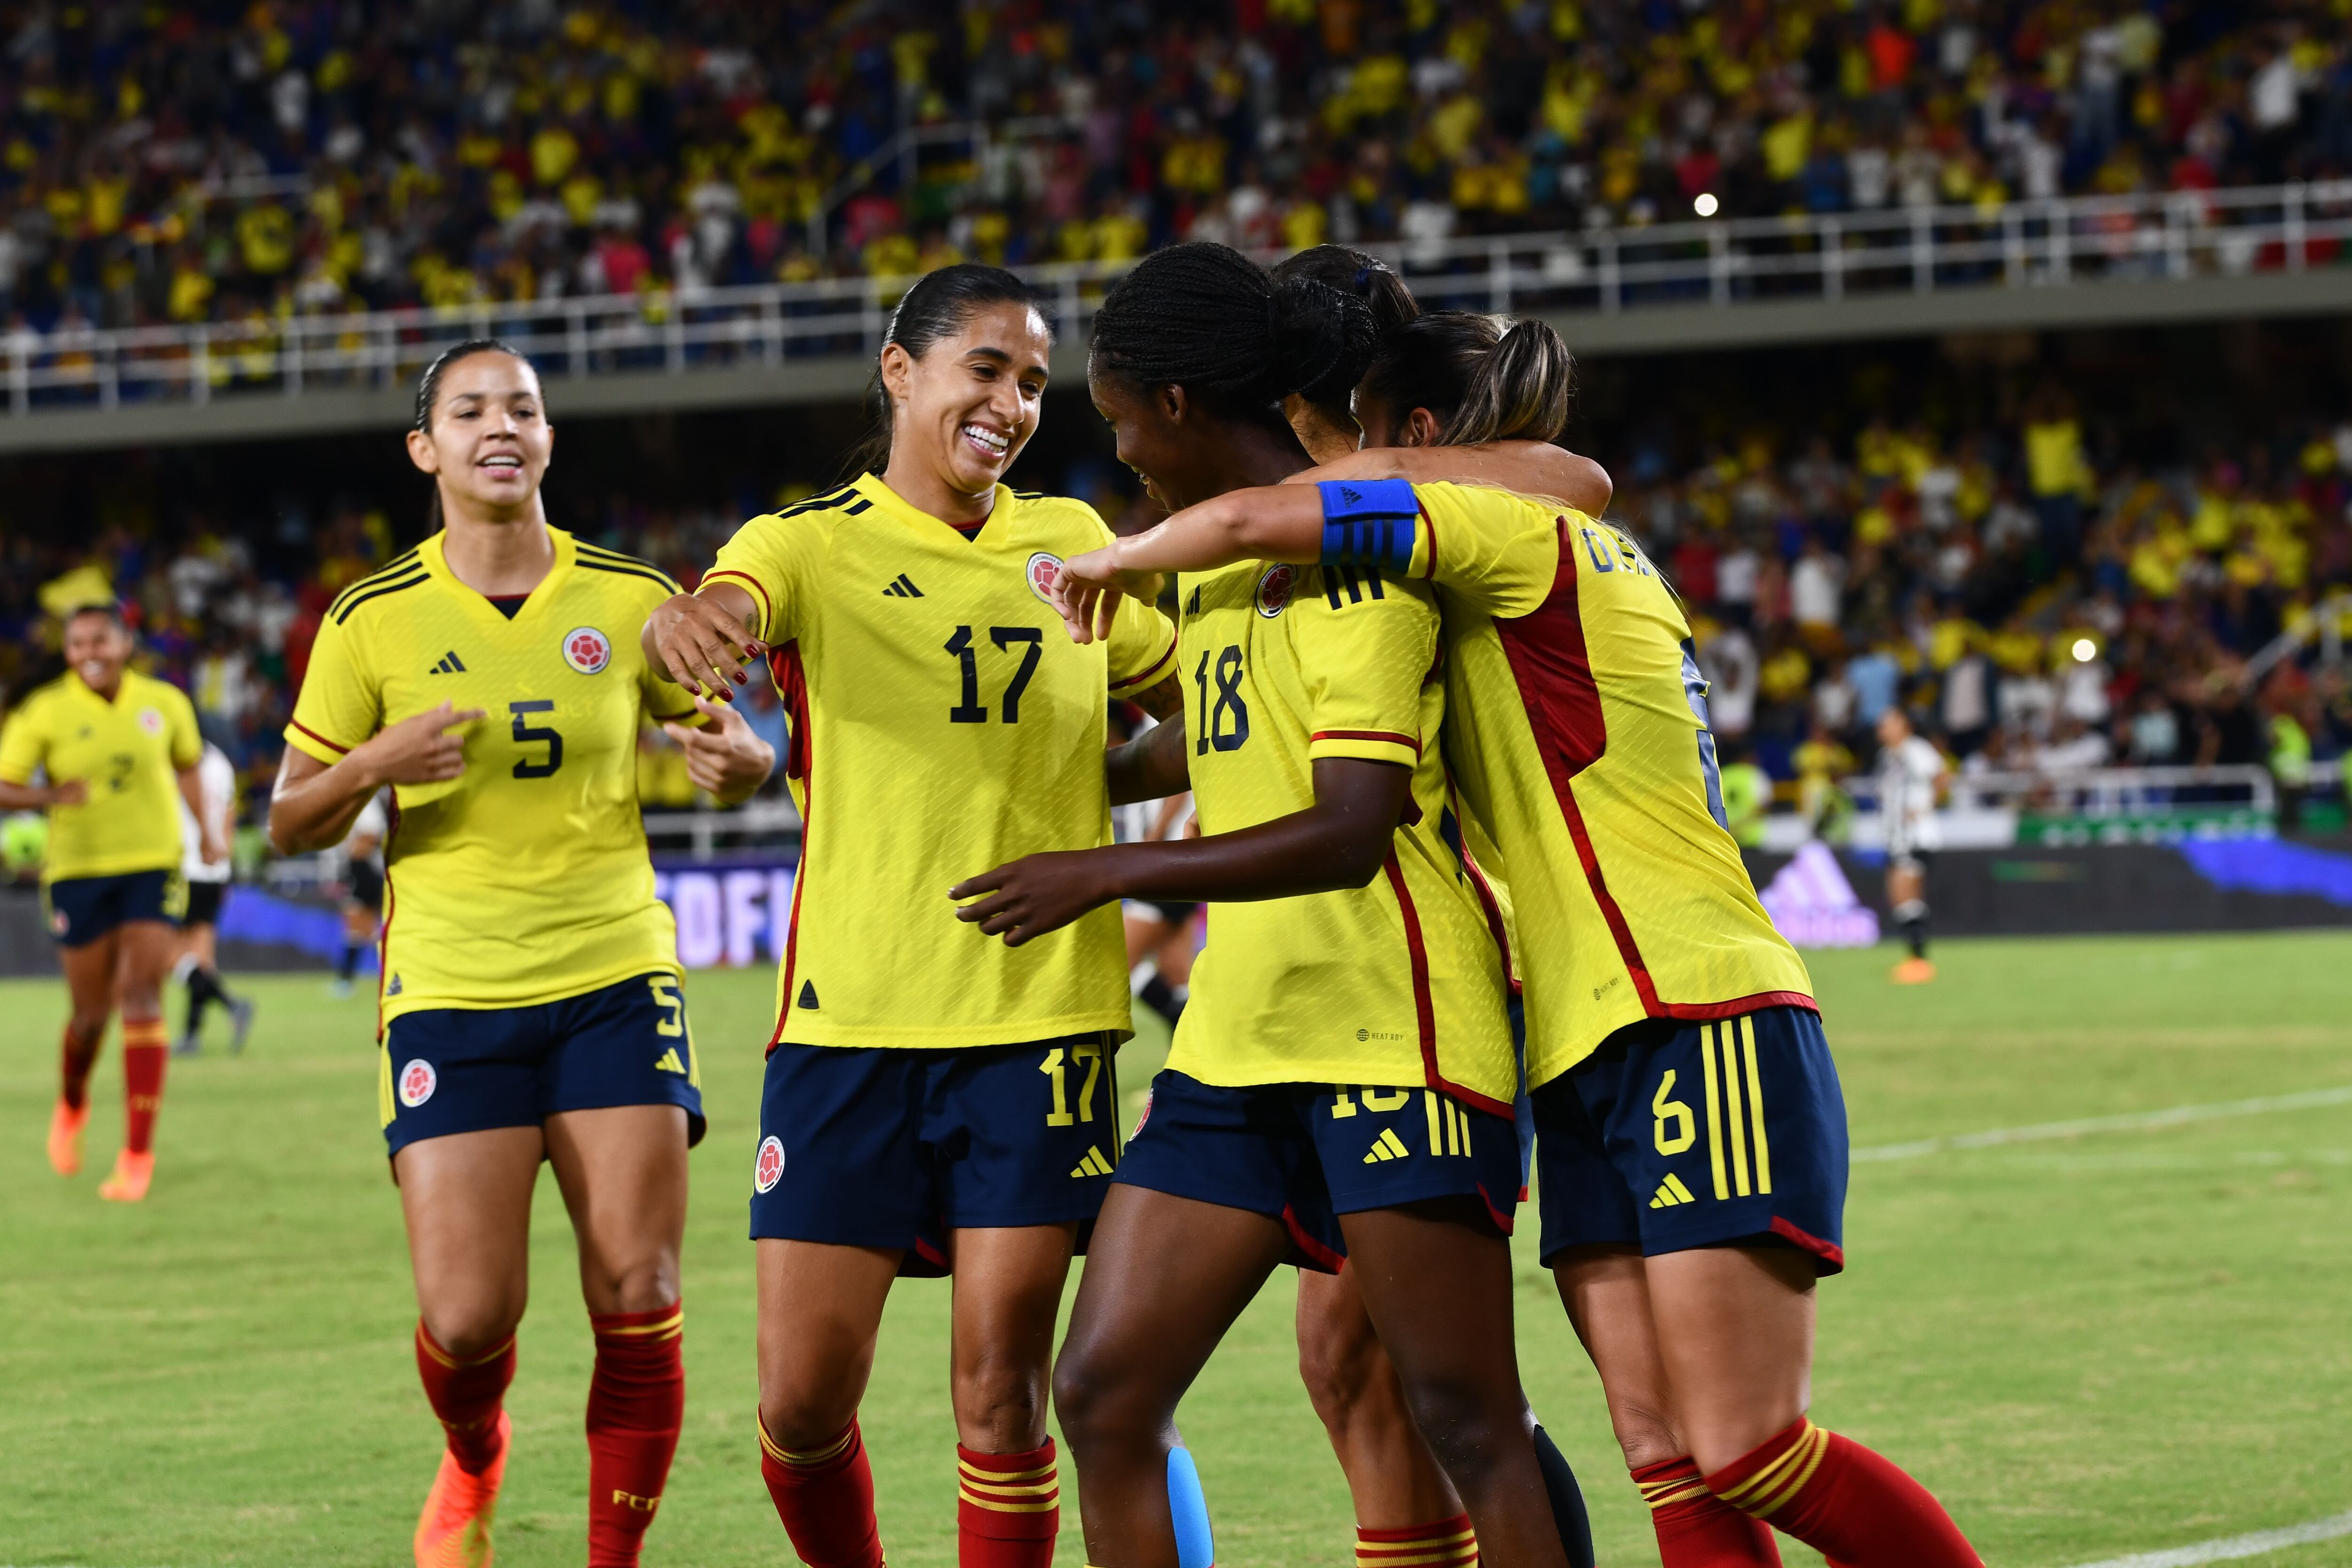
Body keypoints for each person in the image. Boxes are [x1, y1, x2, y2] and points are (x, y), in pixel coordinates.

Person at [1050, 301, 1985, 1568]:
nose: (1339, 462)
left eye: (1356, 437)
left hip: (1691, 999)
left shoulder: (1497, 529)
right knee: (1663, 1451)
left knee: (1747, 1443)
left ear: (1416, 439)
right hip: (1584, 1027)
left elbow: (1275, 513)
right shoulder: (1536, 525)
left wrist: (1123, 556)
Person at [949, 243, 1572, 1568]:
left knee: (1461, 1411)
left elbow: (1352, 824)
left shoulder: (1355, 548)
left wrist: (1104, 869)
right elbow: (1227, 738)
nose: (1117, 453)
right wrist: (1061, 772)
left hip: (1396, 1023)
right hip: (1242, 1036)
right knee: (1106, 1391)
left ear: (1174, 404)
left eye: (1117, 420)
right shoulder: (1219, 568)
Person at [639, 263, 1184, 1568]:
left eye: (1035, 381)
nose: (1013, 401)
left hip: (1037, 1020)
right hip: (849, 1024)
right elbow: (727, 600)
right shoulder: (809, 542)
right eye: (986, 369)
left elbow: (1200, 702)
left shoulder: (1073, 542)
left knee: (1001, 1397)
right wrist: (696, 623)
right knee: (798, 1402)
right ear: (902, 370)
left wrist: (1088, 782)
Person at [267, 340, 774, 1568]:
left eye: (525, 407)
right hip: (451, 987)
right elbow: (290, 815)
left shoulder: (629, 596)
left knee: (641, 1292)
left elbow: (736, 737)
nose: (503, 424)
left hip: (615, 973)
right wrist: (374, 765)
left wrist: (747, 761)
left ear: (548, 441)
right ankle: (477, 1449)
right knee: (469, 1312)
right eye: (471, 408)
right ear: (425, 448)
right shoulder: (370, 617)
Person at [1262, 255, 1610, 1568]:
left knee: (1441, 1381)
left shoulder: (1448, 499)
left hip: (1464, 966)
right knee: (1355, 1360)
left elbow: (1577, 479)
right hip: (1365, 984)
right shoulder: (1348, 489)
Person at [0, 600, 223, 1201]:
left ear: (126, 643)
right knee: (89, 1015)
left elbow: (187, 768)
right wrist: (50, 795)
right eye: (77, 645)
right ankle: (72, 1104)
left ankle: (136, 1154)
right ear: (67, 654)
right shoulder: (44, 710)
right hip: (76, 872)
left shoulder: (166, 702)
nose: (89, 653)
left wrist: (207, 830)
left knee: (143, 994)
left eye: (100, 640)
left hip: (153, 863)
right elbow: (5, 784)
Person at [172, 738, 255, 1054]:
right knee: (202, 957)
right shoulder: (222, 762)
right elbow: (230, 813)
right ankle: (192, 1035)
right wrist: (225, 860)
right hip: (215, 869)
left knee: (169, 952)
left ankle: (233, 1004)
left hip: (185, 866)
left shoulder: (177, 760)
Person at [1875, 706, 1948, 985]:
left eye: (1887, 723)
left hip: (1916, 836)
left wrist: (1924, 807)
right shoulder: (1886, 757)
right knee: (1899, 896)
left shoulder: (1916, 750)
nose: (1882, 730)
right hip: (1897, 836)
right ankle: (1915, 957)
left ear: (1903, 725)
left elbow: (1942, 777)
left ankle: (1919, 960)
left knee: (1906, 892)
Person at [332, 789, 387, 1000]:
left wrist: (351, 854)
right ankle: (350, 981)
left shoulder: (365, 802)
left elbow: (371, 835)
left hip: (366, 870)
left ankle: (346, 982)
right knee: (364, 930)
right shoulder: (357, 800)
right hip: (363, 870)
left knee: (358, 927)